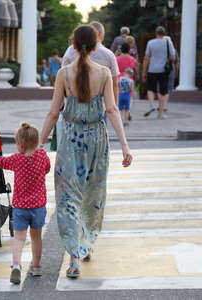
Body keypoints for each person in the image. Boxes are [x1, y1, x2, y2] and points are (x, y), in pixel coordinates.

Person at [39, 25, 132, 278]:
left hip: (71, 142)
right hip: (97, 142)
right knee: (92, 195)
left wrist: (39, 143)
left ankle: (74, 258)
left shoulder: (63, 74)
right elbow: (112, 110)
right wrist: (124, 145)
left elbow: (53, 112)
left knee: (69, 197)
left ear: (73, 44)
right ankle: (84, 244)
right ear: (95, 45)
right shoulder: (103, 73)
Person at [0, 123, 50, 284]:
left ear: (20, 145)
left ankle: (16, 265)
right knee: (36, 238)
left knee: (19, 239)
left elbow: (1, 162)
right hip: (38, 207)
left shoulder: (16, 160)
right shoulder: (42, 156)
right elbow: (47, 168)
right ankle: (36, 266)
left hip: (21, 208)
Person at [62, 22, 120, 105]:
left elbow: (64, 80)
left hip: (73, 105)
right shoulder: (109, 55)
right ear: (99, 34)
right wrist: (115, 106)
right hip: (99, 107)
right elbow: (115, 84)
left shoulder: (69, 51)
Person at [142, 26, 176, 119]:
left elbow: (146, 57)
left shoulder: (151, 42)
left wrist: (144, 71)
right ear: (164, 33)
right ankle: (160, 113)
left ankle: (152, 105)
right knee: (163, 92)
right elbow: (173, 57)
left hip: (152, 70)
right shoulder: (168, 42)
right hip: (164, 71)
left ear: (156, 33)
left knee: (150, 89)